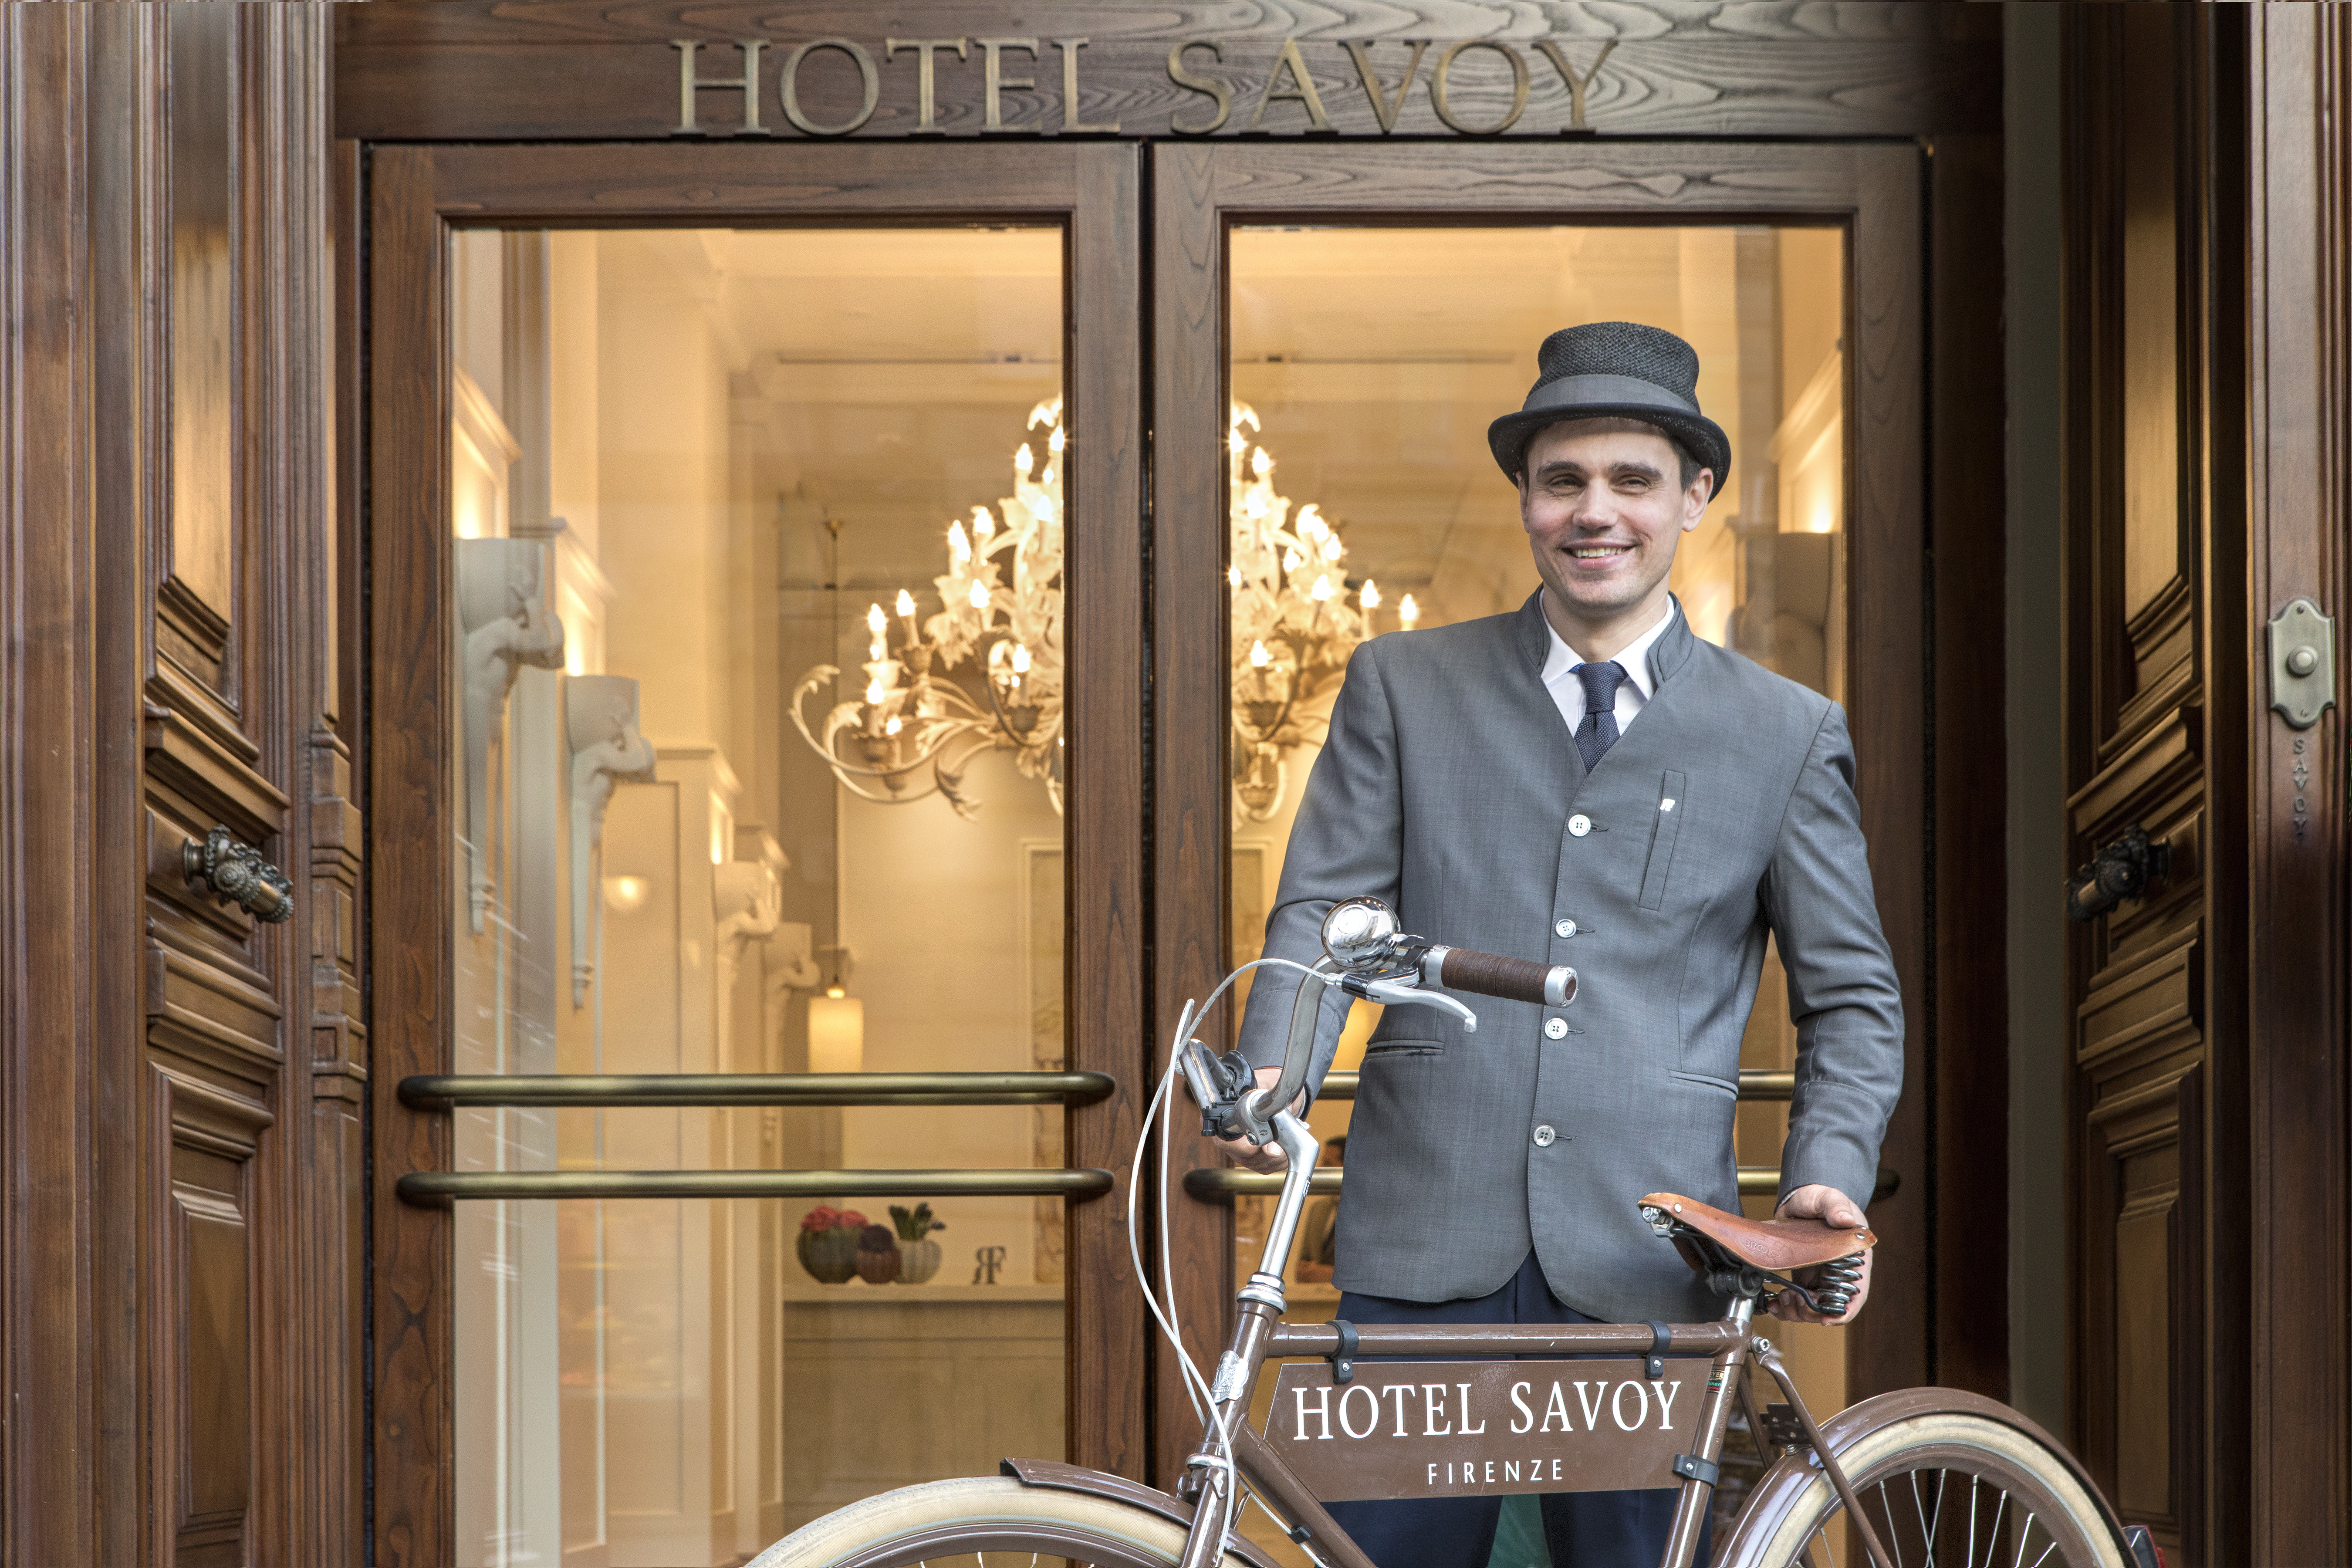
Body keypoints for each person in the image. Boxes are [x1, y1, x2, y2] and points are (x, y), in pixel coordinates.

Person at [1211, 321, 1904, 1568]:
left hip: (1650, 1254)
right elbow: (1325, 912)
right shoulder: (1403, 686)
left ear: (1694, 495)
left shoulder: (1786, 733)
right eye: (1563, 480)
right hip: (1425, 1235)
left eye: (1634, 479)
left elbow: (1851, 996)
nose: (1596, 512)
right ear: (1526, 498)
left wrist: (1827, 1169)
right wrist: (1277, 1072)